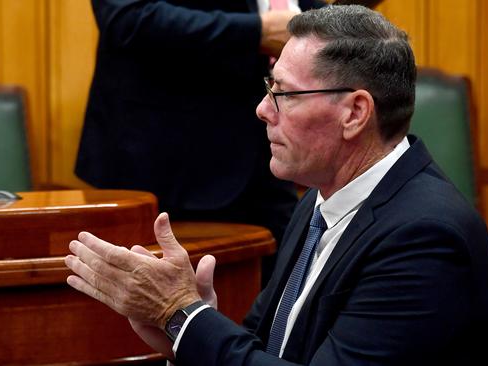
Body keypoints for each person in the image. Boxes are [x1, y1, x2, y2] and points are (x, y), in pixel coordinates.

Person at [65, 5, 488, 365]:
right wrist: (184, 330)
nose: (261, 110)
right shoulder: (318, 203)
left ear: (354, 113)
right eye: (268, 87)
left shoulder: (421, 237)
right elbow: (264, 346)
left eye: (283, 94)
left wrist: (182, 315)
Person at [75, 0, 326, 285]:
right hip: (165, 157)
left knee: (284, 292)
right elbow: (126, 19)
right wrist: (256, 31)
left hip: (269, 145)